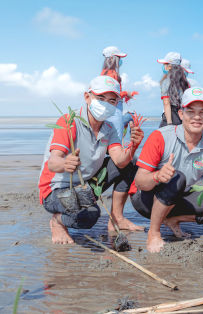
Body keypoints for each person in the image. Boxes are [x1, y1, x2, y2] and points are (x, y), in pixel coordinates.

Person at [38, 76, 145, 244]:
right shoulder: (69, 121)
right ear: (87, 97)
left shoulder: (110, 128)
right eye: (100, 98)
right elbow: (53, 162)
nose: (105, 104)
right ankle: (57, 221)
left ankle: (116, 219)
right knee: (88, 217)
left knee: (132, 162)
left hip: (85, 185)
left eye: (111, 101)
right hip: (56, 190)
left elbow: (120, 161)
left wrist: (133, 145)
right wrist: (65, 163)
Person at [130, 87, 203, 259]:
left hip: (176, 198)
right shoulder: (160, 137)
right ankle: (154, 233)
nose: (197, 117)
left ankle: (172, 219)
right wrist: (157, 176)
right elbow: (140, 182)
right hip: (145, 198)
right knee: (177, 178)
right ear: (181, 113)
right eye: (190, 111)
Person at [101, 46, 136, 139]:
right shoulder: (113, 74)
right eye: (119, 58)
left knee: (109, 134)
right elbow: (113, 95)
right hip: (115, 107)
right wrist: (127, 94)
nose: (120, 61)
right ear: (113, 58)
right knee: (117, 136)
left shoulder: (103, 73)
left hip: (108, 108)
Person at [157, 52, 189, 127]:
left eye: (165, 64)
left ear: (169, 66)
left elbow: (166, 103)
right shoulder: (184, 81)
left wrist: (169, 123)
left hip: (172, 115)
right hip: (183, 116)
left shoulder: (166, 81)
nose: (163, 66)